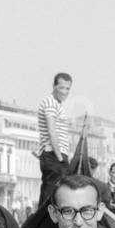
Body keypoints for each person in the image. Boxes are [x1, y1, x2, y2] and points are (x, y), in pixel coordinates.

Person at [36, 72, 72, 205]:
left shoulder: (57, 104)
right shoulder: (50, 103)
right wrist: (60, 158)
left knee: (54, 195)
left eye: (67, 89)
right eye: (61, 88)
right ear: (54, 86)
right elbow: (52, 132)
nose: (64, 92)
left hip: (55, 155)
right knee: (51, 196)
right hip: (53, 155)